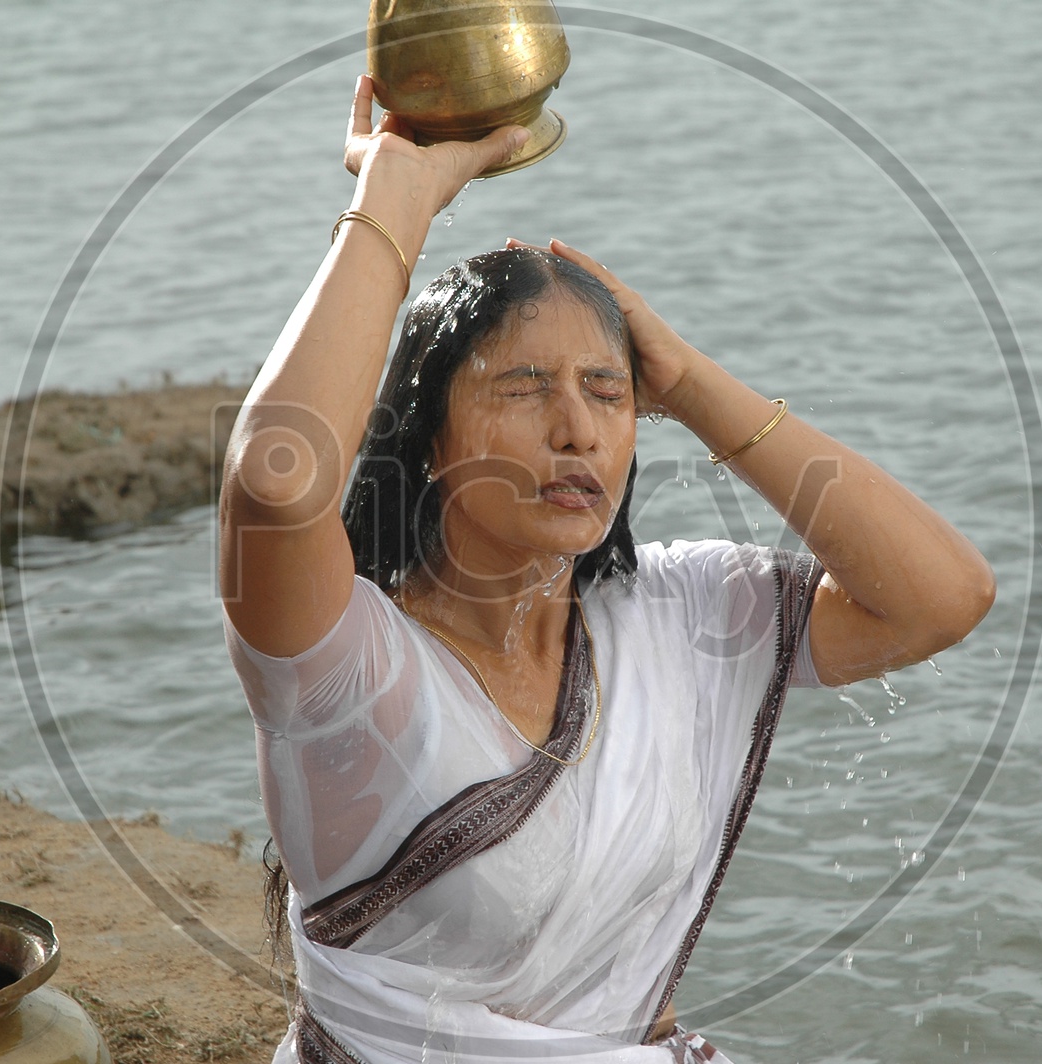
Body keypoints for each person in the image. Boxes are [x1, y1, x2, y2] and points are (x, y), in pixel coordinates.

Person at [219, 76, 995, 1064]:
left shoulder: (675, 613)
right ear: (431, 440)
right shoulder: (345, 671)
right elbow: (274, 486)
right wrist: (398, 197)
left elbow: (944, 595)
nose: (578, 429)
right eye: (523, 386)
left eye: (606, 392)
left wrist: (689, 382)